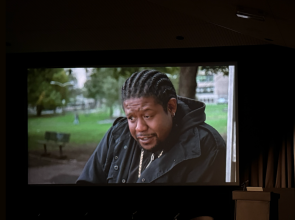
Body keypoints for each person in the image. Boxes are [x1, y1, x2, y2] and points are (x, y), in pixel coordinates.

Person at [76, 70, 226, 184]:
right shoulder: (117, 134)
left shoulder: (206, 145)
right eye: (131, 118)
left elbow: (198, 219)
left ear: (171, 107)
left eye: (147, 116)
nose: (139, 128)